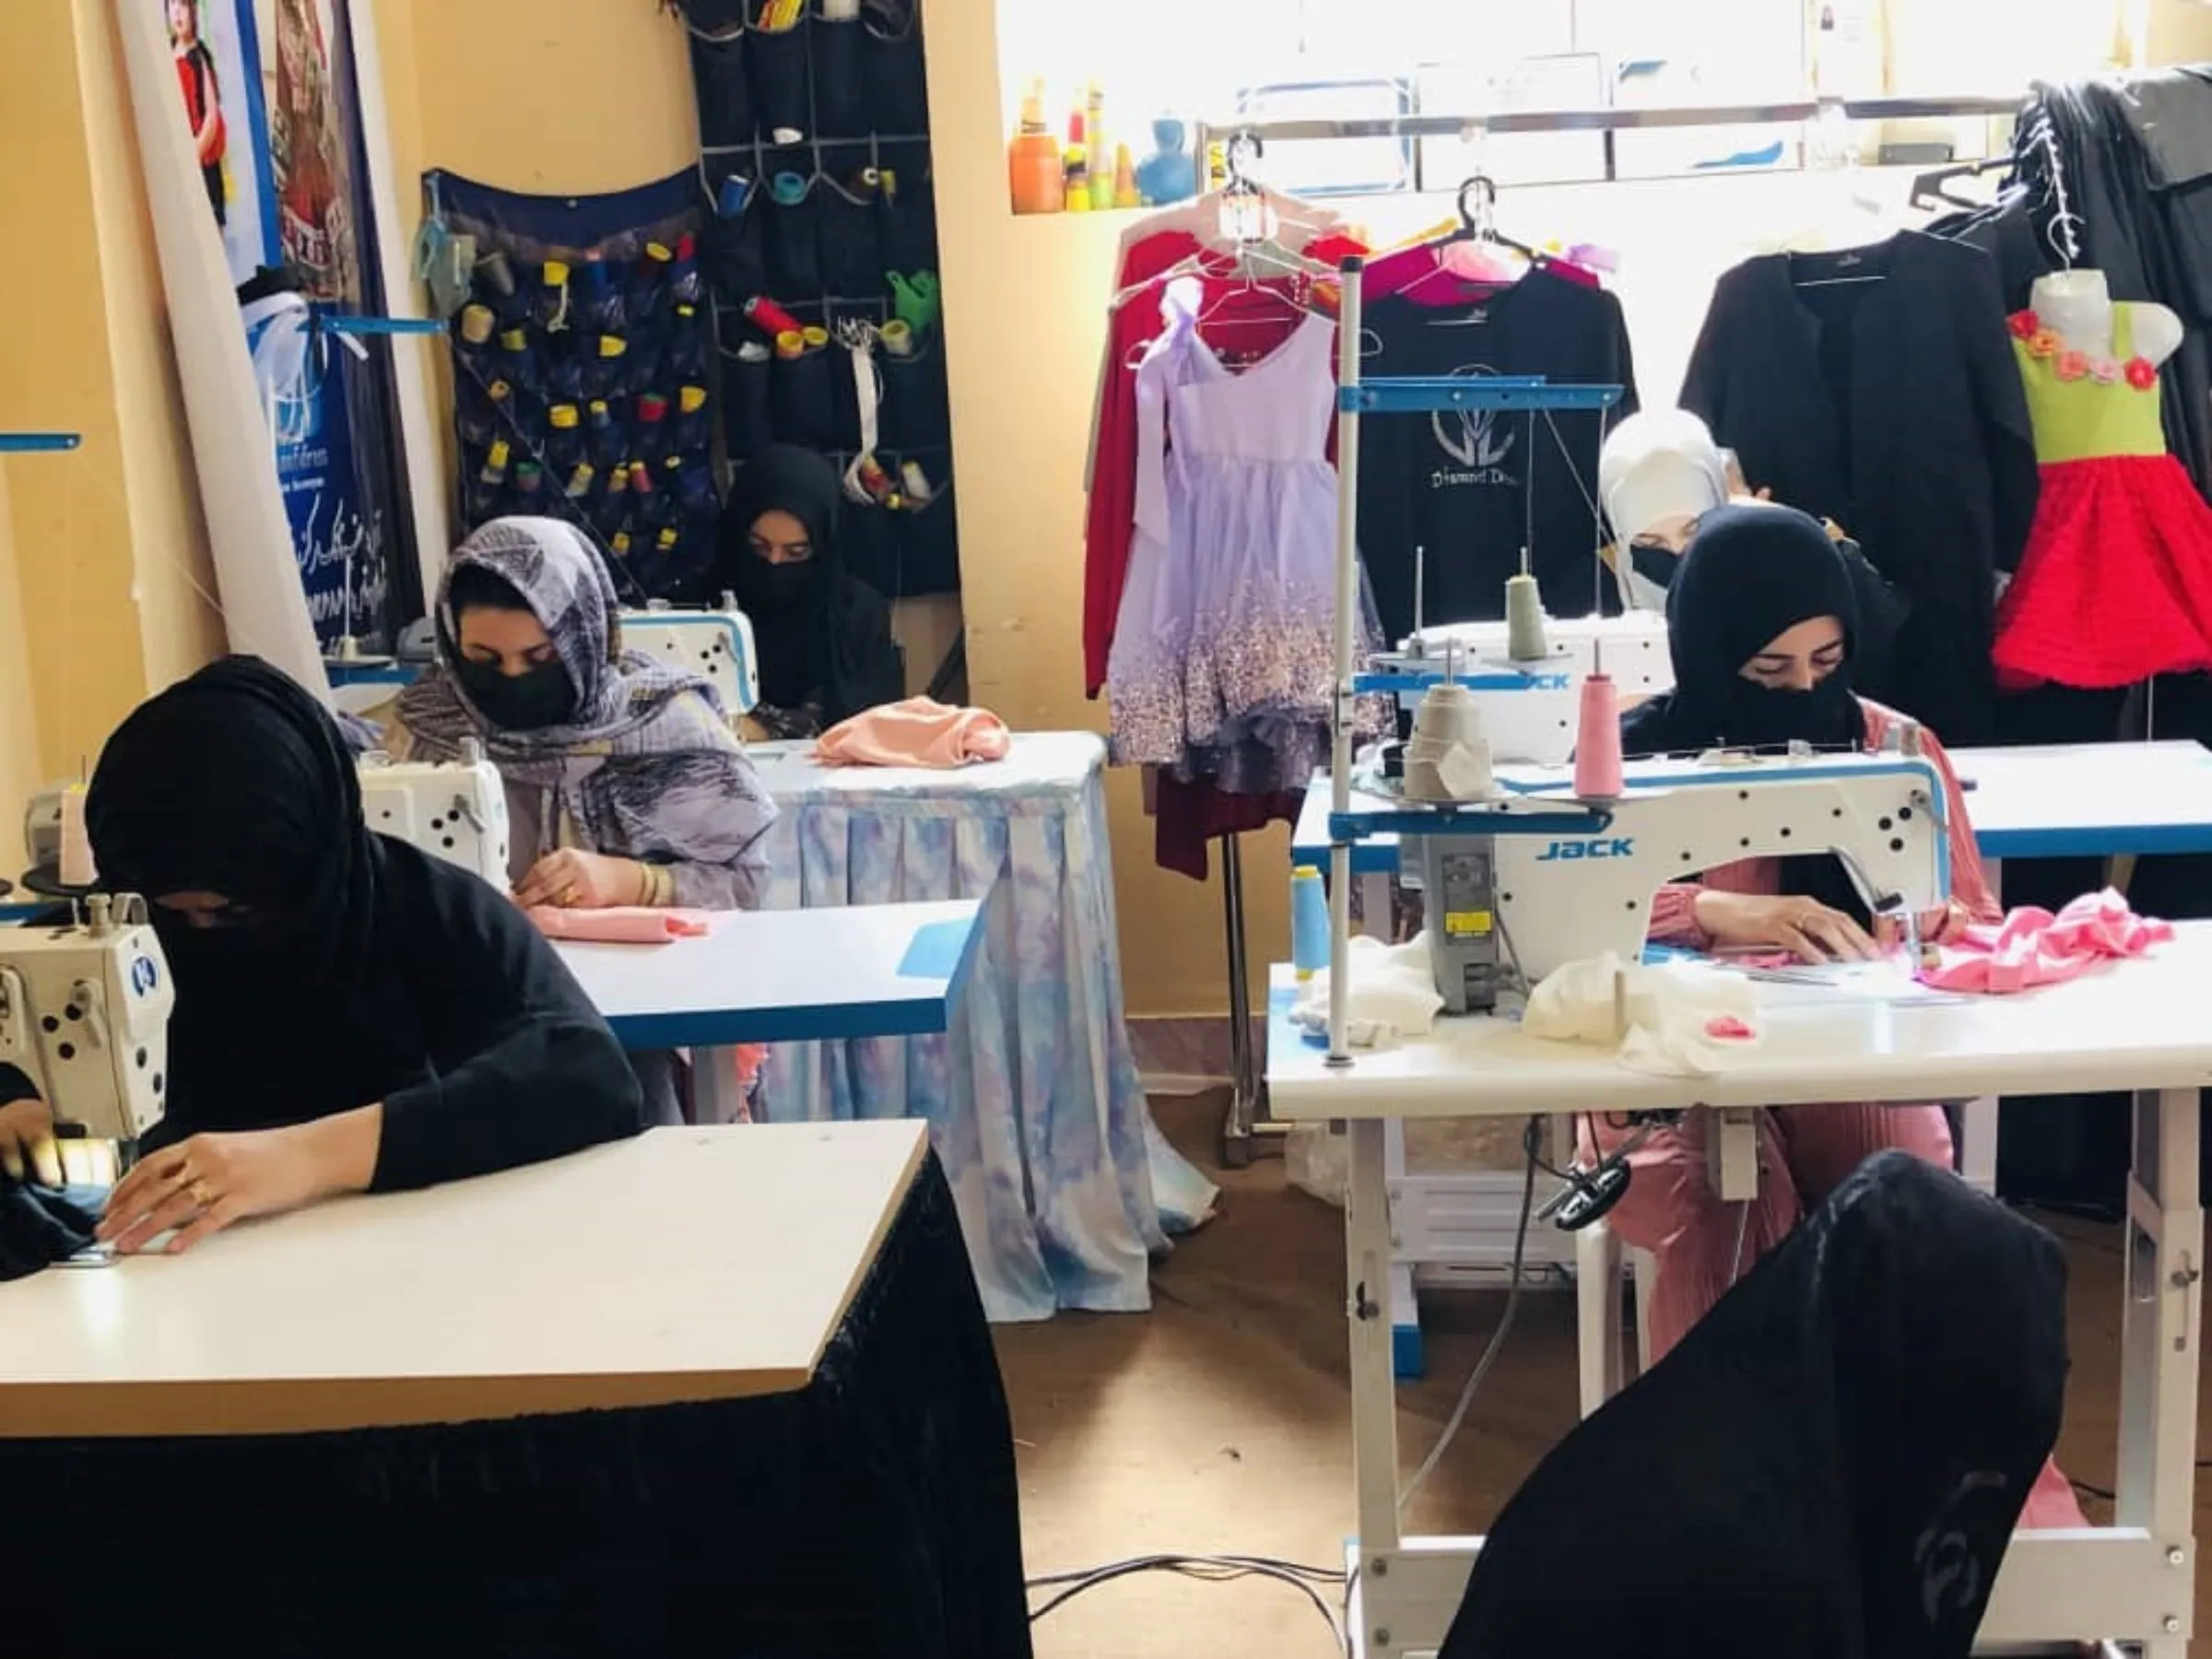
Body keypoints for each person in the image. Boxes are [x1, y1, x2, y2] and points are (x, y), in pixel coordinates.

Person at [1592, 503, 2086, 1529]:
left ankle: (1987, 1540)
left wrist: (1941, 923)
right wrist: (1710, 910)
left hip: (1844, 1062)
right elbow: (1561, 924)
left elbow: (1969, 923)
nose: (1806, 693)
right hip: (1663, 1078)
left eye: (1826, 662)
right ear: (1707, 650)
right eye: (1767, 674)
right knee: (1728, 1217)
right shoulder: (1626, 764)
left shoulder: (1895, 748)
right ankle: (1722, 1538)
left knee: (1912, 1219)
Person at [73, 655, 642, 1257]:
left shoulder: (423, 910)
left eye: (236, 912)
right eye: (175, 914)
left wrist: (304, 1157)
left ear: (309, 857)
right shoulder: (114, 919)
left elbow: (589, 1078)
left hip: (418, 1267)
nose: (202, 930)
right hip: (177, 1278)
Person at [388, 516, 778, 1123]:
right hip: (473, 1025)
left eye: (539, 657)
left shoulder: (666, 726)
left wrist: (633, 882)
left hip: (641, 1035)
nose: (512, 679)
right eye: (483, 659)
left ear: (583, 636)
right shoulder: (425, 726)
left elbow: (745, 885)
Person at [1598, 407, 1909, 703]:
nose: (1677, 554)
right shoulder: (1593, 591)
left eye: (1693, 532)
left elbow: (1880, 650)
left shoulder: (1805, 562)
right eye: (1649, 544)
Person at [711, 444, 905, 739]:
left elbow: (870, 723)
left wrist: (761, 730)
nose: (774, 562)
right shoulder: (701, 605)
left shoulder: (857, 613)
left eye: (796, 552)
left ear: (823, 546)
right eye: (758, 547)